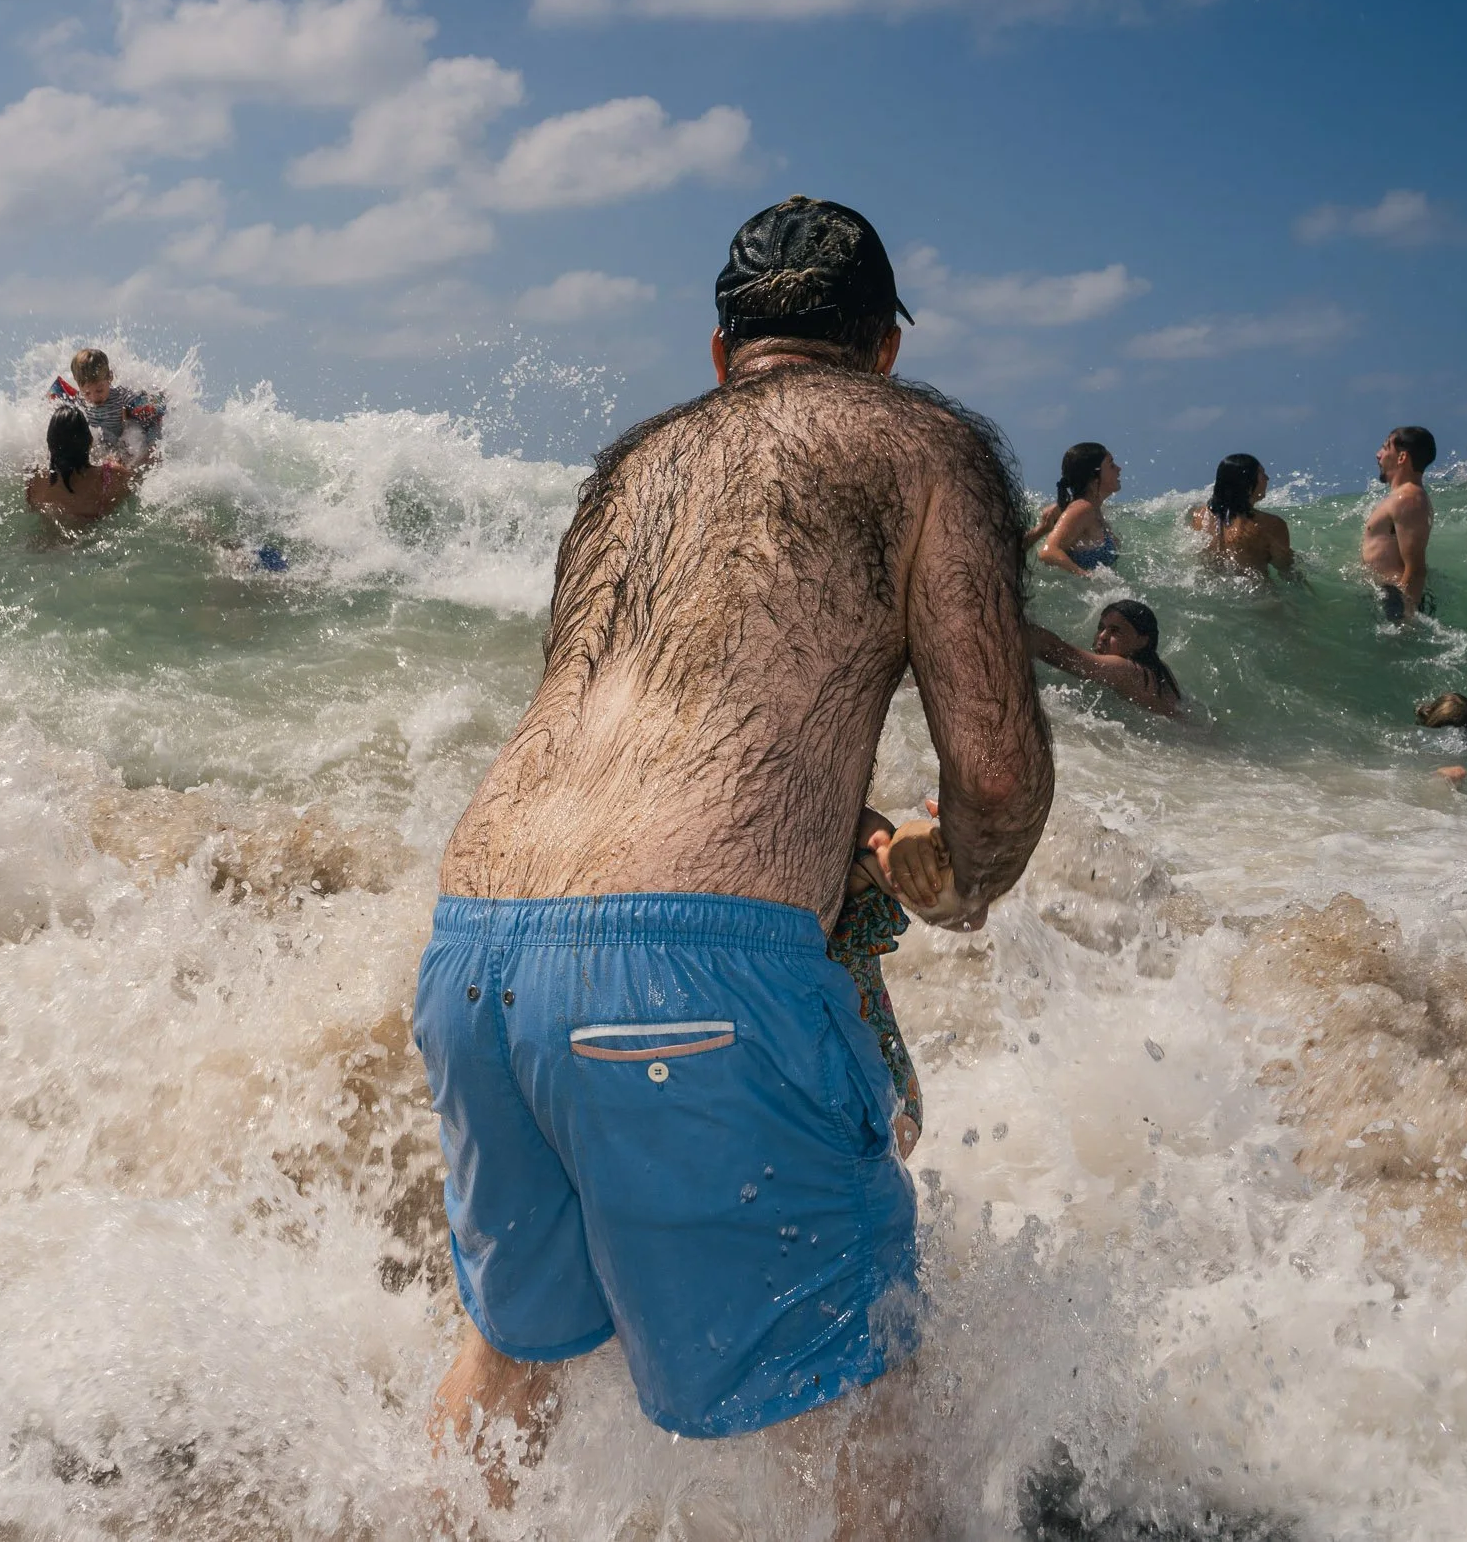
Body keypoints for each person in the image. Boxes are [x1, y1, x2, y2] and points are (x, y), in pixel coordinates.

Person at [416, 197, 1054, 1509]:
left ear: (723, 355)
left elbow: (647, 720)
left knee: (511, 1358)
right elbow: (992, 770)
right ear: (882, 348)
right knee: (869, 1420)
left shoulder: (633, 467)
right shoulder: (923, 445)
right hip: (692, 979)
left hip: (478, 951)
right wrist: (962, 878)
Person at [1027, 601, 1183, 716]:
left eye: (1115, 631)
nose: (1102, 636)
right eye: (1101, 628)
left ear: (1142, 640)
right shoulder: (1159, 668)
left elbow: (1057, 652)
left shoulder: (1126, 669)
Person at [45, 348, 166, 484]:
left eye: (99, 390)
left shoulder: (120, 395)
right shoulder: (79, 401)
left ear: (110, 377)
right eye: (87, 393)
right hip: (94, 446)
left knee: (129, 457)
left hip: (118, 444)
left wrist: (154, 403)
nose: (94, 397)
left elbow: (145, 403)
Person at [1362, 425, 1436, 622]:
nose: (1378, 455)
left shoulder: (1409, 498)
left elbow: (1416, 568)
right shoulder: (1401, 497)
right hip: (1389, 597)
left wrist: (1403, 620)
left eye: (1385, 448)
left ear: (1402, 457)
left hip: (1396, 601)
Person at [1185, 453, 1295, 578]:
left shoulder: (1199, 516)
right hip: (1258, 593)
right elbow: (1286, 570)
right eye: (1262, 474)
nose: (1267, 478)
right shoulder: (1271, 524)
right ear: (1247, 480)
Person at [1031, 441, 1122, 574]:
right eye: (1111, 465)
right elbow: (1048, 552)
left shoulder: (1093, 510)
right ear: (1094, 476)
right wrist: (1087, 577)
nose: (1119, 469)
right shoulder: (1082, 509)